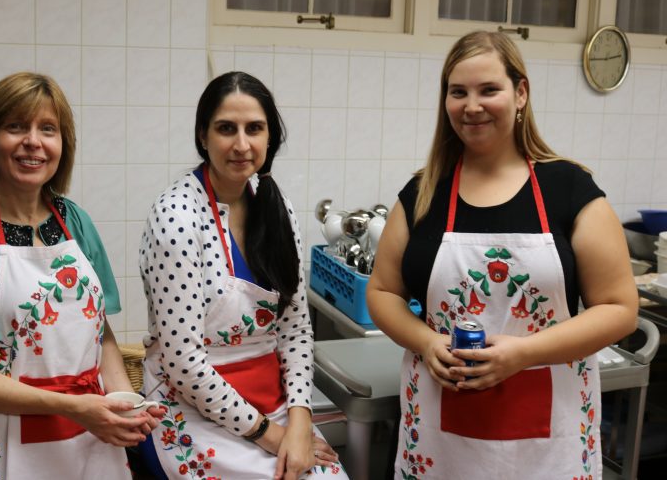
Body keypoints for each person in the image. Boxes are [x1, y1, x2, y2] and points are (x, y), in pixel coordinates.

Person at [366, 31, 638, 479]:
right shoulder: (423, 194)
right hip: (443, 438)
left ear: (520, 93)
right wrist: (426, 342)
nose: (472, 106)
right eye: (458, 92)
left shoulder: (569, 189)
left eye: (489, 89)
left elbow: (620, 308)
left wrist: (523, 353)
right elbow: (382, 292)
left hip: (546, 445)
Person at [0, 72, 160, 479]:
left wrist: (125, 403)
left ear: (62, 145)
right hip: (3, 442)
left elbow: (100, 333)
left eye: (48, 129)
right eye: (15, 126)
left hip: (89, 438)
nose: (33, 141)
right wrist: (74, 408)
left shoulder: (75, 221)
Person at [138, 71, 347, 479]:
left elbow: (295, 329)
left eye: (254, 129)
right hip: (191, 411)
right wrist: (274, 437)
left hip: (274, 405)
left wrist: (300, 422)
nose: (241, 144)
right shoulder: (176, 217)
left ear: (270, 138)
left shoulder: (277, 208)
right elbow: (183, 363)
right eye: (225, 129)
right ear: (203, 136)